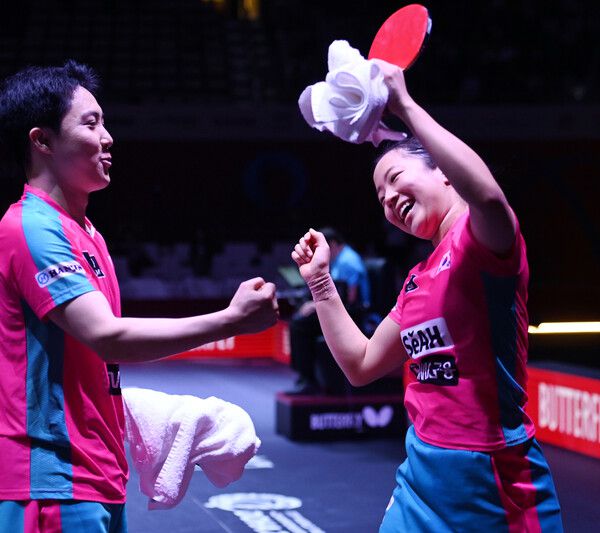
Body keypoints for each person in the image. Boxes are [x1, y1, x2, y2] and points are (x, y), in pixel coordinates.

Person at [0, 61, 279, 532]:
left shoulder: (88, 234)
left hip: (99, 474)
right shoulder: (30, 227)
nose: (108, 138)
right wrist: (230, 320)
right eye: (91, 124)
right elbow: (107, 337)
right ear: (42, 141)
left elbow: (91, 360)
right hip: (51, 482)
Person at [291, 59, 563, 531]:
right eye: (380, 197)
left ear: (444, 173)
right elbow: (361, 364)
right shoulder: (417, 279)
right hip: (420, 473)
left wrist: (406, 107)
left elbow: (488, 197)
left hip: (491, 478)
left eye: (395, 179)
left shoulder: (484, 243)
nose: (388, 199)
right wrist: (320, 282)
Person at [288, 227, 370, 395]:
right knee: (300, 320)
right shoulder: (340, 259)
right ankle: (306, 376)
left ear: (331, 244)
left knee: (299, 325)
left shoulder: (348, 261)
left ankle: (308, 379)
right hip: (346, 309)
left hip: (355, 313)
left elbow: (350, 298)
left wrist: (314, 305)